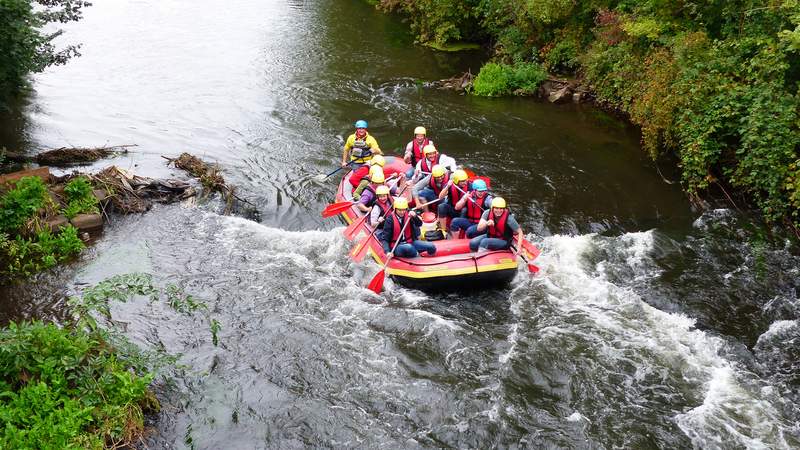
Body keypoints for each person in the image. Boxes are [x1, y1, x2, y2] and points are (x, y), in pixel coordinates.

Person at [435, 169, 469, 235]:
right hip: (453, 209)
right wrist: (447, 186)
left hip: (464, 212)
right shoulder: (450, 185)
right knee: (441, 206)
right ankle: (443, 230)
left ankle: (460, 230)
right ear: (456, 181)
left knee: (464, 210)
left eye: (466, 180)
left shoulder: (470, 186)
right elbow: (440, 197)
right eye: (462, 181)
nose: (465, 182)